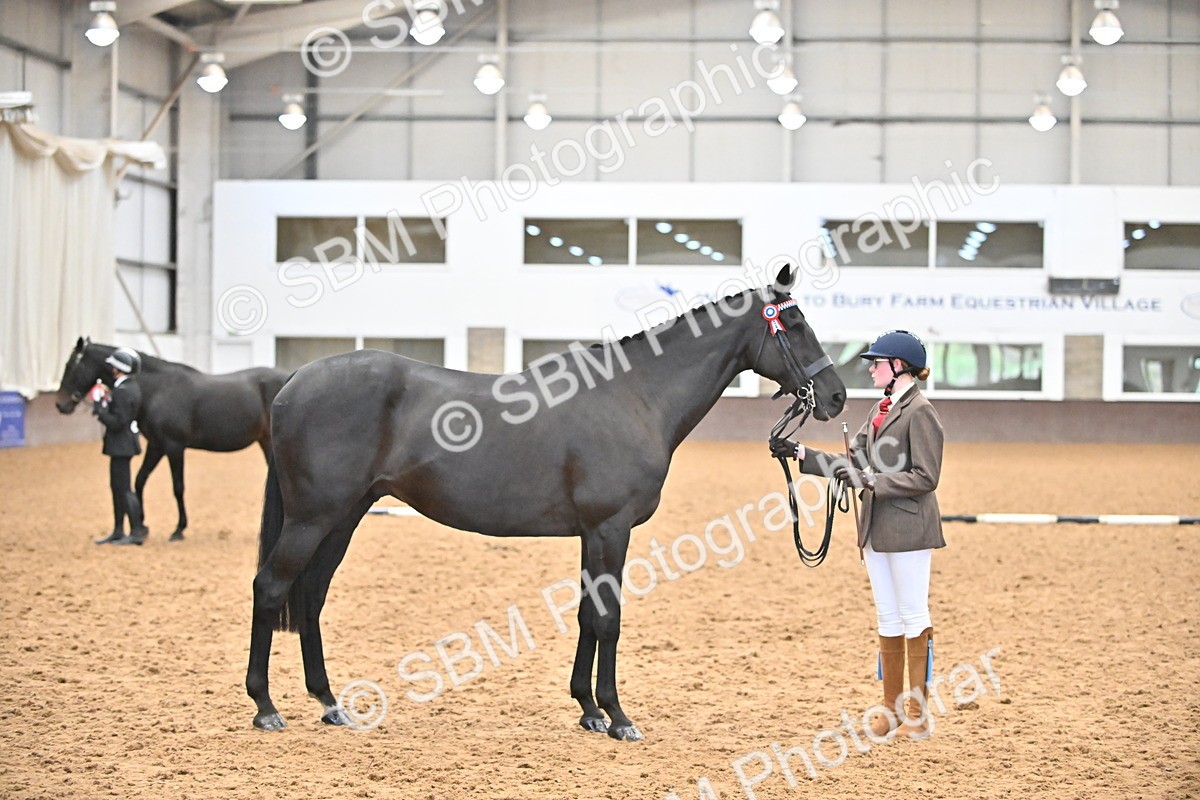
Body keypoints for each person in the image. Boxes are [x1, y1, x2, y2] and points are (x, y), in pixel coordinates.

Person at [771, 330, 944, 740]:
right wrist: (801, 454)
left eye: (877, 362)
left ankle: (917, 713)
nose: (870, 368)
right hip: (875, 527)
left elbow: (926, 476)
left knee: (913, 615)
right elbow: (852, 463)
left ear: (898, 367)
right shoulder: (880, 411)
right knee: (887, 617)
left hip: (909, 527)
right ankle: (891, 708)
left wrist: (871, 480)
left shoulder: (920, 412)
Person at [92, 347, 148, 546]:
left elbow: (118, 422)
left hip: (121, 444)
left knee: (123, 489)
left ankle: (135, 531)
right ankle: (118, 529)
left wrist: (99, 409)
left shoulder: (123, 391)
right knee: (117, 487)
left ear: (119, 368)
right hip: (123, 444)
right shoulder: (128, 388)